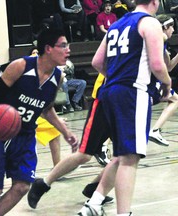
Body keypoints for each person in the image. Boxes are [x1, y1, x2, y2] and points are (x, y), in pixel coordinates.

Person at [0, 15, 78, 216]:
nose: (68, 50)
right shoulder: (21, 66)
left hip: (25, 135)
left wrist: (65, 132)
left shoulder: (58, 77)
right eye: (63, 45)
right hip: (1, 132)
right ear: (48, 49)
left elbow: (47, 108)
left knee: (22, 186)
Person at [76, 0, 171, 214]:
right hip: (131, 93)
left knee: (121, 155)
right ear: (155, 2)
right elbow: (157, 65)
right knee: (130, 158)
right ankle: (123, 213)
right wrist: (167, 83)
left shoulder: (117, 24)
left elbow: (97, 62)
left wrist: (118, 78)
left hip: (109, 92)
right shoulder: (150, 23)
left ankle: (93, 203)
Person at [27, 71, 113, 211]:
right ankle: (43, 183)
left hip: (127, 102)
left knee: (126, 156)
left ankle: (96, 188)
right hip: (107, 101)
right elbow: (98, 62)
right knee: (85, 154)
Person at [29, 46, 63, 166]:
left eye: (37, 53)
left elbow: (46, 105)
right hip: (20, 112)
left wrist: (56, 120)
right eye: (33, 53)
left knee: (54, 131)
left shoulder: (52, 74)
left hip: (36, 111)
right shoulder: (27, 68)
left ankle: (57, 166)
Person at [149, 14, 178, 146]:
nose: (173, 31)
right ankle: (155, 130)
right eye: (172, 27)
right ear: (165, 26)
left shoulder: (162, 42)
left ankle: (155, 130)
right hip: (148, 83)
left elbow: (169, 67)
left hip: (152, 82)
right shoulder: (158, 38)